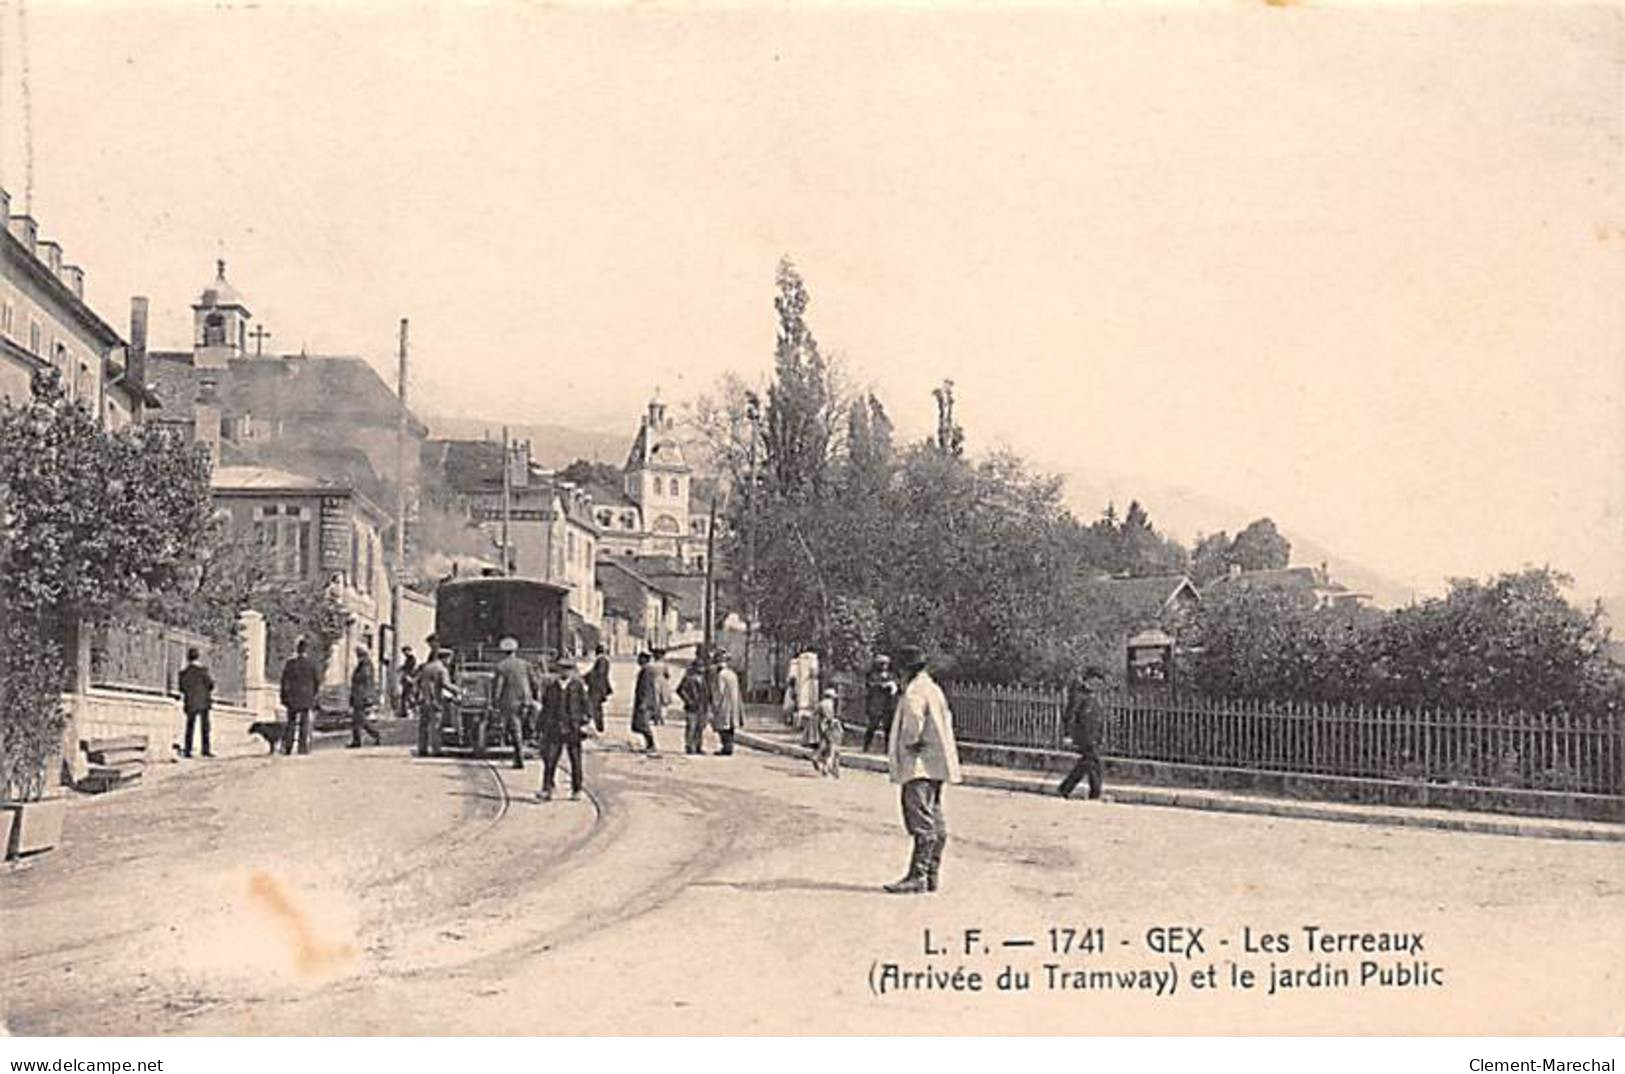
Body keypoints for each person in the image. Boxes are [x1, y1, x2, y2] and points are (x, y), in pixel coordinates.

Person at [884, 645, 962, 895]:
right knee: (935, 816)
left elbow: (913, 723)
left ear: (905, 670)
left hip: (919, 763)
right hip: (935, 762)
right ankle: (931, 875)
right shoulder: (933, 688)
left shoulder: (914, 692)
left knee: (920, 819)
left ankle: (918, 875)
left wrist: (909, 742)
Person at [537, 657, 591, 801]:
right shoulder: (551, 687)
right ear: (558, 670)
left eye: (568, 669)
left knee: (575, 760)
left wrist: (585, 722)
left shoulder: (577, 686)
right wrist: (540, 727)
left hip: (573, 727)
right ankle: (547, 789)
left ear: (572, 671)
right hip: (554, 728)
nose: (565, 672)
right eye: (562, 668)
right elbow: (546, 707)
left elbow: (585, 705)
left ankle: (577, 789)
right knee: (550, 759)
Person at [1057, 668, 1107, 800]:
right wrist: (1068, 734)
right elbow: (1070, 715)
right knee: (1094, 763)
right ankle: (1095, 793)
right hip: (1083, 736)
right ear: (1089, 679)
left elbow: (1099, 718)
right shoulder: (1078, 695)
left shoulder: (1095, 696)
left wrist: (1101, 736)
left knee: (1087, 764)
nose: (1098, 684)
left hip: (1094, 736)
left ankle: (1065, 788)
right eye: (1095, 680)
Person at [488, 636, 533, 769]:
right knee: (525, 725)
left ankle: (519, 758)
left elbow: (499, 687)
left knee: (515, 728)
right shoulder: (526, 664)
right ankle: (527, 744)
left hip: (510, 701)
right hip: (526, 700)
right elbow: (534, 682)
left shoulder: (501, 666)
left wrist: (495, 701)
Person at [279, 638, 321, 756]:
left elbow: (284, 681)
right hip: (306, 698)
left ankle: (288, 747)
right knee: (304, 723)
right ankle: (302, 748)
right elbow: (317, 681)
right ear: (306, 650)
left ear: (297, 649)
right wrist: (313, 695)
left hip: (292, 698)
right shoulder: (312, 664)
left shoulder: (290, 663)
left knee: (291, 722)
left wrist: (283, 696)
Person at [415, 647, 458, 758]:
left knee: (423, 726)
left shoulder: (427, 667)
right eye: (449, 659)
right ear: (446, 658)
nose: (449, 661)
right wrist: (459, 690)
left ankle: (422, 749)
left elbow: (418, 682)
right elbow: (446, 684)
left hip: (424, 699)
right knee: (436, 726)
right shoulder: (442, 669)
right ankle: (436, 749)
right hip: (435, 700)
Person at [178, 646, 215, 759]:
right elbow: (211, 685)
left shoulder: (184, 672)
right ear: (198, 657)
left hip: (190, 702)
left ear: (188, 658)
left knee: (190, 726)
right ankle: (206, 750)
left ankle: (188, 750)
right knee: (205, 727)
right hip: (203, 701)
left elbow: (182, 688)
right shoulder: (203, 671)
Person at [862, 654, 900, 753]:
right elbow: (870, 685)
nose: (884, 666)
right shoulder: (872, 675)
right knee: (872, 726)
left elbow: (897, 685)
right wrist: (883, 685)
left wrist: (894, 686)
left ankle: (887, 749)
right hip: (876, 704)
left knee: (888, 727)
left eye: (886, 664)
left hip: (888, 705)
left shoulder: (892, 675)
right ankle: (866, 746)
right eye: (881, 664)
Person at [710, 647, 743, 756]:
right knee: (730, 726)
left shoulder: (721, 675)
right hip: (733, 703)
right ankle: (729, 746)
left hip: (724, 704)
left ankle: (726, 747)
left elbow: (719, 691)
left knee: (723, 726)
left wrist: (715, 705)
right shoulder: (732, 674)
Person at [348, 645, 384, 748]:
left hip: (361, 696)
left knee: (359, 720)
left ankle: (373, 735)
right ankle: (359, 739)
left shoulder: (366, 666)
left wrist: (367, 696)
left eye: (359, 654)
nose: (358, 656)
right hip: (357, 695)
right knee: (358, 720)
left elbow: (366, 681)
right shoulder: (361, 666)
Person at [678, 652, 712, 755]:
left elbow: (707, 693)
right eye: (699, 667)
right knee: (691, 727)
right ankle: (689, 746)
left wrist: (709, 705)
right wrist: (689, 701)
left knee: (700, 727)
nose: (701, 669)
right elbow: (680, 690)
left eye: (702, 667)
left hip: (702, 707)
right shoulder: (689, 678)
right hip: (692, 707)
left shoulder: (704, 679)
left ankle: (698, 746)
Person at [631, 651, 661, 753]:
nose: (638, 660)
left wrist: (644, 702)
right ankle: (649, 745)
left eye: (640, 658)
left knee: (643, 724)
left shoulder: (647, 670)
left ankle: (651, 745)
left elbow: (646, 688)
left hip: (646, 702)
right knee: (642, 724)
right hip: (645, 700)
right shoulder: (646, 669)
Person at [811, 685, 843, 778]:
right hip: (831, 727)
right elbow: (830, 717)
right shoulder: (830, 704)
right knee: (832, 750)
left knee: (824, 746)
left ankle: (817, 758)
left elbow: (814, 714)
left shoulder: (821, 704)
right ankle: (827, 767)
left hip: (822, 728)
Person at [587, 644, 613, 733]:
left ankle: (599, 726)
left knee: (595, 707)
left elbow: (599, 674)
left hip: (597, 687)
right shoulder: (603, 660)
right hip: (599, 687)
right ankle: (598, 725)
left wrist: (586, 678)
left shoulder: (601, 660)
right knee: (596, 707)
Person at [398, 645, 419, 719]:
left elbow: (410, 669)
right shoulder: (408, 659)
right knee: (405, 696)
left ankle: (412, 711)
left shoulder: (411, 659)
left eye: (405, 651)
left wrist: (408, 676)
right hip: (407, 679)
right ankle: (405, 711)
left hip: (409, 679)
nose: (404, 653)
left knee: (409, 696)